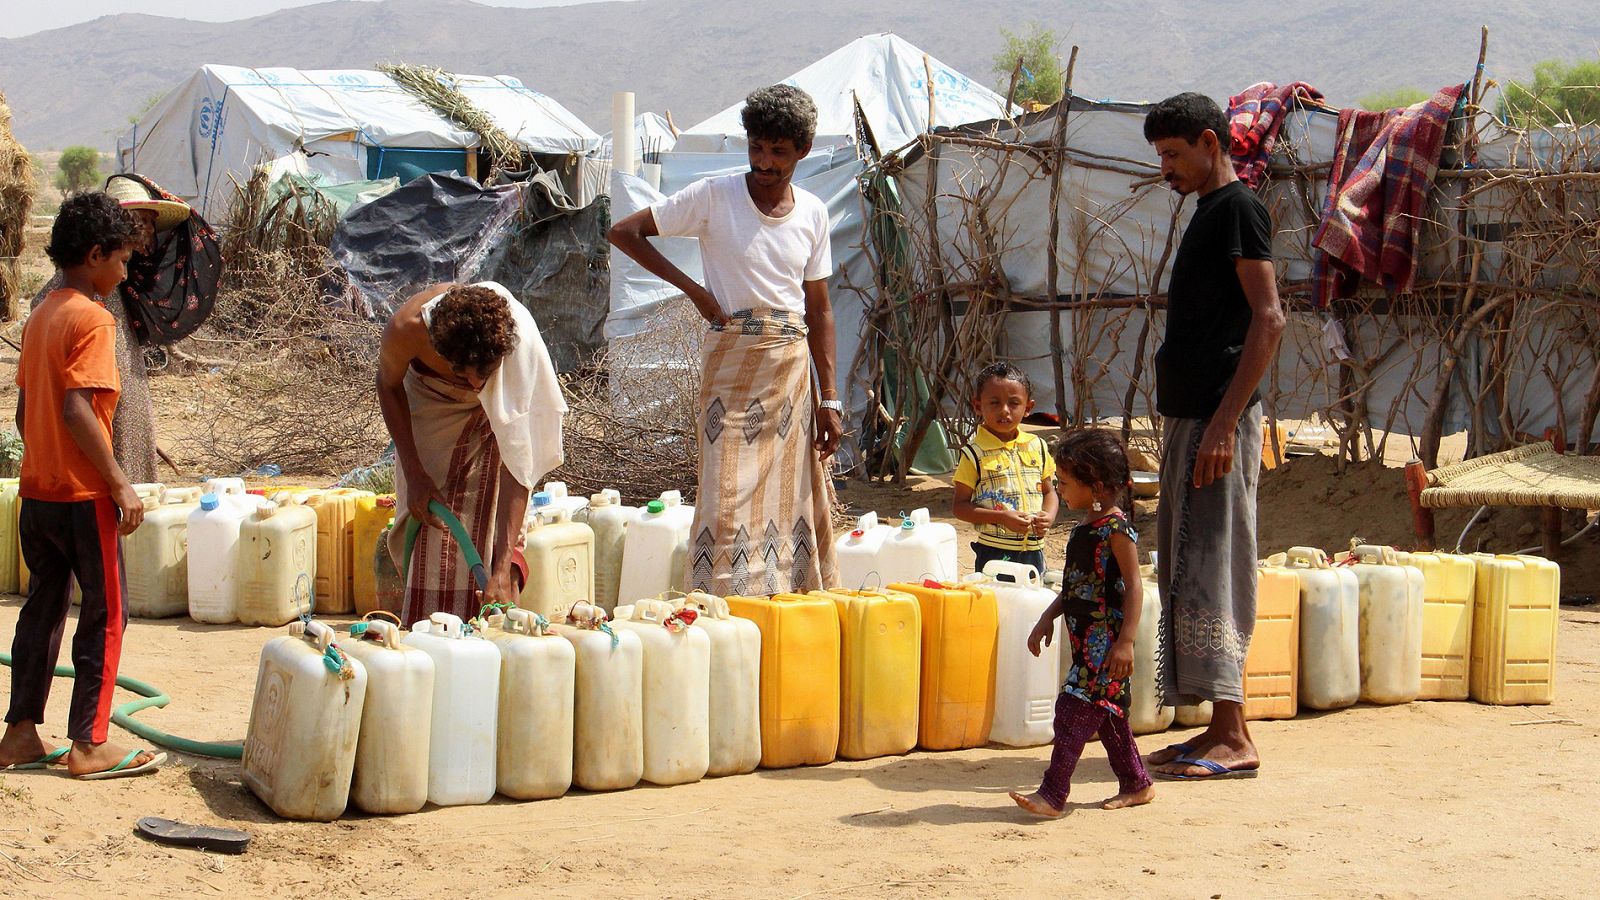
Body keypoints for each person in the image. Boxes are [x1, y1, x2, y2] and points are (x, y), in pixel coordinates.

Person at [608, 84, 840, 596]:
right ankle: (722, 600)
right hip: (732, 360)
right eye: (756, 147)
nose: (764, 161)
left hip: (789, 370)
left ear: (802, 150)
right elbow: (624, 232)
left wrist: (832, 399)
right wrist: (694, 290)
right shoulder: (714, 194)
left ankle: (784, 597)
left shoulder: (814, 213)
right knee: (724, 489)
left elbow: (820, 308)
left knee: (792, 491)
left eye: (778, 151)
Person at [1142, 92, 1285, 780]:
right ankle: (1213, 731)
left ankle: (1236, 737)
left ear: (1208, 141)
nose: (1166, 168)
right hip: (1194, 418)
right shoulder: (1209, 212)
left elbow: (1270, 319)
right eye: (1161, 157)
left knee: (1219, 563)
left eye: (1173, 154)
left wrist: (1226, 422)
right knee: (1189, 561)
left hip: (1217, 422)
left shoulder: (1238, 210)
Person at [1, 192, 164, 779]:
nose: (123, 273)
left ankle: (20, 733)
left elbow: (26, 414)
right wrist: (119, 483)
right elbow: (77, 409)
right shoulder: (94, 317)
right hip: (82, 498)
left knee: (41, 609)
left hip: (36, 492)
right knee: (106, 615)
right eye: (120, 261)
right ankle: (90, 743)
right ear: (95, 255)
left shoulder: (42, 314)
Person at [377, 281, 565, 623]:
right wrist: (415, 472)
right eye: (464, 374)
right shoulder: (407, 328)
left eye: (484, 377)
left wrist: (501, 567)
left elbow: (519, 463)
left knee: (497, 528)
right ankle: (431, 636)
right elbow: (387, 385)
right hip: (430, 406)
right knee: (431, 525)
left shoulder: (519, 351)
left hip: (501, 408)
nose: (476, 386)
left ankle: (496, 627)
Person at [1009, 428, 1153, 815]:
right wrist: (1045, 618)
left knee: (1072, 712)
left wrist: (1125, 642)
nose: (1060, 489)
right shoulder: (1082, 529)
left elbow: (1136, 587)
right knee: (1108, 717)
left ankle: (1053, 793)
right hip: (1085, 644)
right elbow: (1074, 586)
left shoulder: (1116, 531)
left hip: (1106, 647)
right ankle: (1136, 783)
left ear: (1098, 487)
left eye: (1067, 483)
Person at [29, 174, 205, 484]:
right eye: (138, 220)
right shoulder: (86, 287)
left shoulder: (123, 278)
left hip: (121, 394)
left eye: (150, 223)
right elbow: (72, 409)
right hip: (96, 407)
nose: (146, 231)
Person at [952, 363, 1058, 577]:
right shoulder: (974, 454)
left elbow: (1049, 492)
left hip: (1034, 549)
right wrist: (1002, 518)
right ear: (978, 406)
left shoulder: (1037, 446)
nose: (1004, 411)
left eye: (1014, 403)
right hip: (994, 551)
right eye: (994, 403)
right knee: (999, 604)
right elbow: (959, 507)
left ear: (1028, 408)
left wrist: (1048, 516)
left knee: (1030, 603)